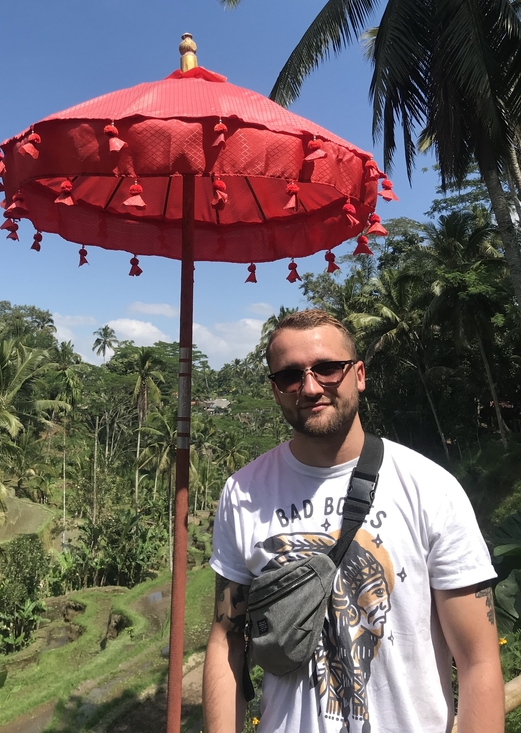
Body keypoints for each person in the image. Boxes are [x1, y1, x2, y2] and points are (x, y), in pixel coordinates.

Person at [202, 309, 504, 733]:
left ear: (358, 374)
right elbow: (225, 642)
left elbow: (479, 662)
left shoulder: (430, 488)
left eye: (327, 368)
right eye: (290, 376)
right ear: (276, 390)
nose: (310, 387)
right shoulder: (244, 493)